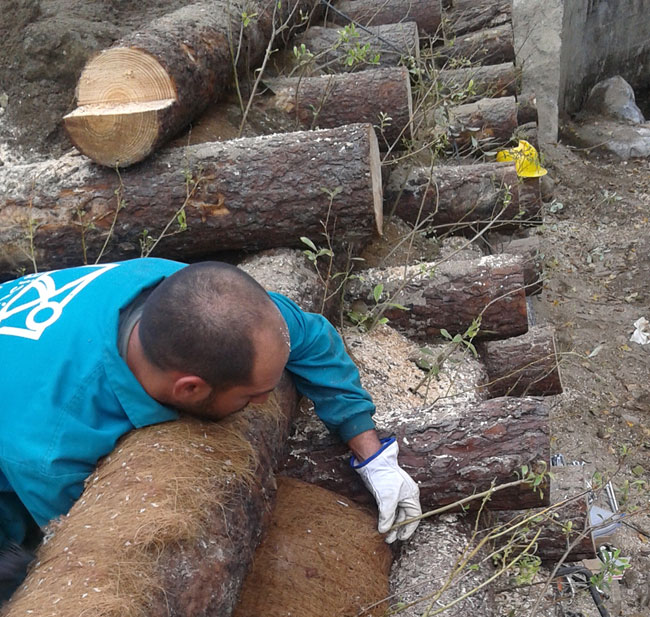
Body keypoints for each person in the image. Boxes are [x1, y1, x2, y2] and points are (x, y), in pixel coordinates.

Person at [0, 257, 421, 598]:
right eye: (253, 395)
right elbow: (88, 550)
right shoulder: (53, 446)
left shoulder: (194, 298)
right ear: (190, 389)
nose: (263, 403)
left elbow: (310, 336)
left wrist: (371, 453)